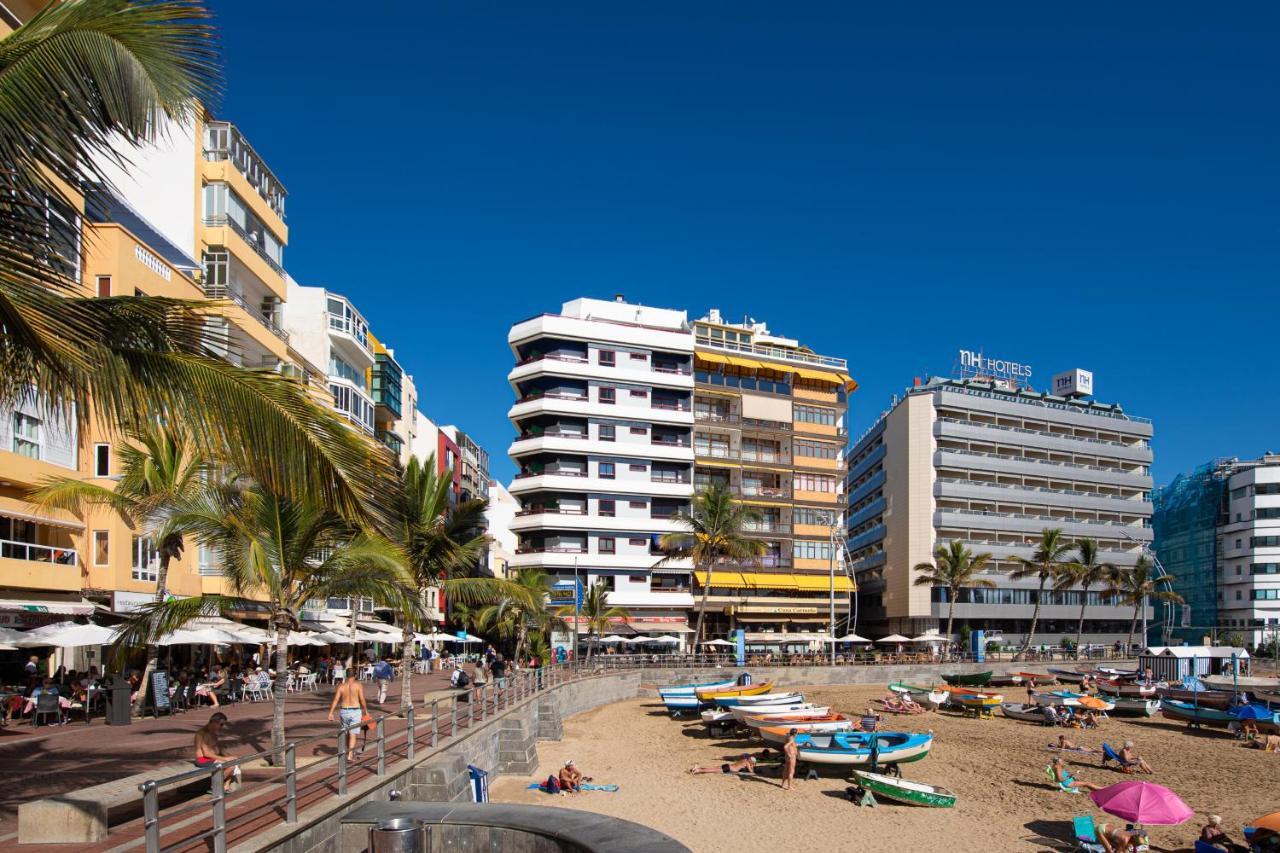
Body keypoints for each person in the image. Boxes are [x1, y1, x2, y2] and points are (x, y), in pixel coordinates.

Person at [194, 712, 242, 793]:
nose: (221, 727)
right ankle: (215, 786)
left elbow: (219, 749)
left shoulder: (214, 734)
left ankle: (225, 786)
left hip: (212, 758)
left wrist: (230, 756)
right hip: (202, 759)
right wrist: (225, 758)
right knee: (230, 766)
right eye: (221, 724)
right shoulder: (201, 733)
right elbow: (206, 753)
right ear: (213, 722)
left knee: (234, 761)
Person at [327, 669, 368, 761]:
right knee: (353, 733)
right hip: (355, 711)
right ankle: (350, 754)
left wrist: (331, 712)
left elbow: (336, 700)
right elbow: (362, 699)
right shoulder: (358, 685)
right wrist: (365, 710)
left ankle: (347, 750)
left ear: (346, 675)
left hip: (344, 711)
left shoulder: (341, 686)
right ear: (355, 675)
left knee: (346, 732)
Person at [689, 753, 757, 775]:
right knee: (712, 770)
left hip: (727, 765)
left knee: (713, 768)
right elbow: (751, 772)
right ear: (751, 761)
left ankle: (698, 767)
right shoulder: (748, 763)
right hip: (729, 769)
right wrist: (752, 766)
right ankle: (698, 770)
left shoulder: (744, 760)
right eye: (753, 763)